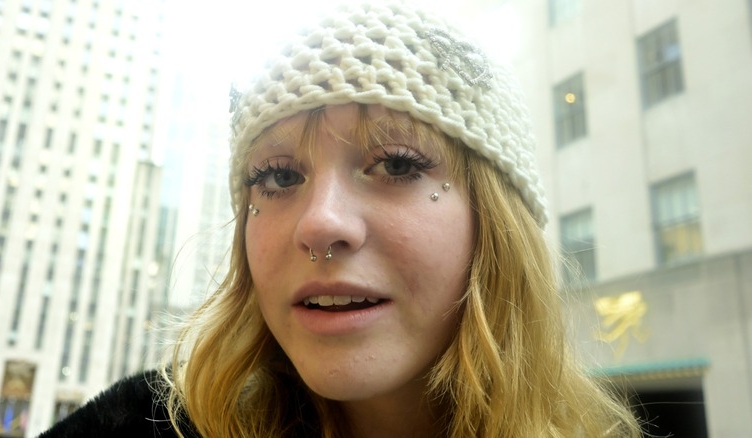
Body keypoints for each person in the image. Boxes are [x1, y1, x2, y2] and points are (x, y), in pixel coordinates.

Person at [41, 1, 641, 437]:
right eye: (278, 177)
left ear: (498, 224)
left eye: (397, 164)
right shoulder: (140, 425)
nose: (320, 224)